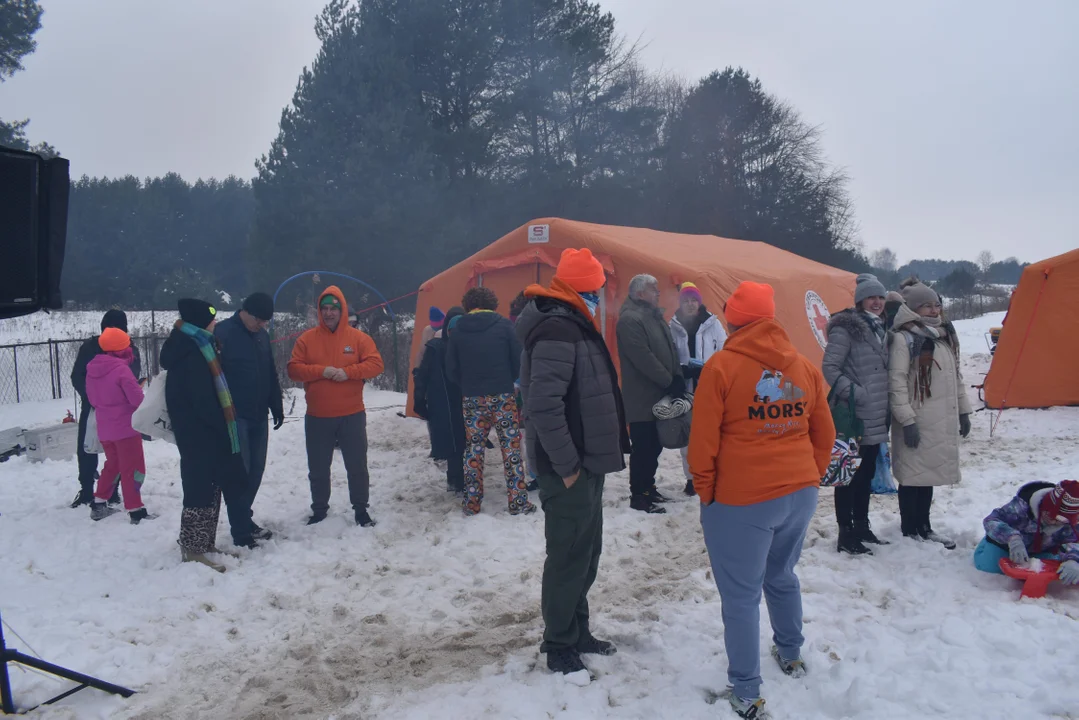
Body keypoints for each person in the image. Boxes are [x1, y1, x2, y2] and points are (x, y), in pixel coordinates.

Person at [688, 281, 835, 720]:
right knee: (781, 573)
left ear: (733, 321)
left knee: (740, 595)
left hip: (742, 500)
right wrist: (809, 475)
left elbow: (702, 441)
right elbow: (825, 433)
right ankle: (790, 652)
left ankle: (746, 690)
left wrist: (706, 490)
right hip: (799, 493)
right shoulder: (803, 366)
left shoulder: (721, 367)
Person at [516, 248, 630, 679]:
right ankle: (559, 643)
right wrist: (566, 466)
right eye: (597, 289)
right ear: (582, 289)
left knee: (586, 553)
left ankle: (578, 630)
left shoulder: (573, 323)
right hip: (569, 465)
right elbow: (544, 406)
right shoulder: (557, 330)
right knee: (567, 557)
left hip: (586, 461)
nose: (601, 297)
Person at [160, 299, 251, 572]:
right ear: (201, 322)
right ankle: (192, 548)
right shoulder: (190, 352)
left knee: (212, 488)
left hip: (205, 433)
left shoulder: (200, 345)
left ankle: (205, 542)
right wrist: (221, 428)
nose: (215, 322)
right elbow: (202, 400)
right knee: (198, 489)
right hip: (197, 434)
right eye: (211, 318)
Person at [288, 287, 384, 527]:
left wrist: (349, 372)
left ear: (342, 311)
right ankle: (319, 509)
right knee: (318, 468)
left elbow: (376, 364)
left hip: (352, 414)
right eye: (325, 308)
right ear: (319, 311)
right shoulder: (307, 339)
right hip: (318, 416)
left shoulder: (358, 339)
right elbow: (293, 370)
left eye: (333, 308)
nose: (329, 313)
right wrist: (321, 371)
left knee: (357, 465)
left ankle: (361, 509)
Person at [888, 279, 972, 549]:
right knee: (913, 476)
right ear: (913, 309)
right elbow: (896, 382)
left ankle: (924, 525)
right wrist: (907, 420)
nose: (934, 310)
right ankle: (910, 527)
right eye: (927, 306)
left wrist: (963, 411)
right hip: (917, 418)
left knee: (928, 475)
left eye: (936, 305)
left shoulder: (943, 336)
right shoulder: (903, 338)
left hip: (940, 418)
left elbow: (955, 377)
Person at [446, 287, 534, 516]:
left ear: (468, 305)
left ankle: (472, 503)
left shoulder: (458, 330)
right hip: (503, 395)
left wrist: (467, 385)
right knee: (510, 448)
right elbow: (518, 361)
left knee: (473, 449)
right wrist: (507, 381)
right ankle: (518, 502)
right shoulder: (505, 326)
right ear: (493, 303)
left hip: (472, 397)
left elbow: (451, 368)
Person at [822, 273, 891, 555]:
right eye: (871, 297)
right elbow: (830, 367)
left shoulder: (881, 328)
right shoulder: (846, 329)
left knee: (866, 474)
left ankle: (862, 525)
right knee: (848, 474)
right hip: (854, 414)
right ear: (860, 300)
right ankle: (845, 532)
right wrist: (856, 393)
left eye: (880, 297)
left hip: (877, 412)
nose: (877, 302)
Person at [214, 292, 284, 543]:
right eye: (259, 320)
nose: (262, 325)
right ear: (246, 312)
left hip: (259, 414)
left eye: (265, 322)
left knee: (256, 470)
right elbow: (213, 376)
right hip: (235, 417)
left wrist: (276, 404)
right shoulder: (223, 333)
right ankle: (241, 530)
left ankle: (244, 518)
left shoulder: (261, 336)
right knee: (240, 473)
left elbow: (269, 371)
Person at [616, 274, 683, 514]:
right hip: (642, 398)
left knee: (655, 446)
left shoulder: (654, 317)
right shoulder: (630, 320)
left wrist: (678, 376)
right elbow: (643, 357)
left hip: (658, 395)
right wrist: (669, 381)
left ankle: (649, 487)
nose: (658, 293)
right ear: (640, 293)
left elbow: (670, 351)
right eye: (654, 289)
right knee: (643, 447)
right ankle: (639, 495)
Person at [70, 309, 142, 508]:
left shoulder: (98, 346)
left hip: (100, 406)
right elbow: (132, 378)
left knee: (98, 450)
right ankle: (94, 490)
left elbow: (77, 376)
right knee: (100, 450)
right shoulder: (100, 347)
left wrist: (95, 398)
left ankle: (101, 491)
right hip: (104, 408)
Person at [85, 328, 154, 524]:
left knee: (113, 465)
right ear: (122, 348)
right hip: (125, 428)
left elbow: (92, 398)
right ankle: (136, 510)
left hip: (105, 428)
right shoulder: (122, 370)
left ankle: (99, 503)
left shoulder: (92, 369)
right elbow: (136, 400)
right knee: (133, 468)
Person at [669, 281, 727, 496]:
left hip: (710, 387)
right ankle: (691, 479)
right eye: (686, 301)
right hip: (686, 389)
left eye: (694, 300)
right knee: (689, 438)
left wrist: (712, 371)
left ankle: (715, 475)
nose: (690, 304)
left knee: (714, 434)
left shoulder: (713, 324)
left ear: (700, 302)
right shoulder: (673, 326)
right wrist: (681, 370)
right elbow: (668, 356)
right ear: (680, 303)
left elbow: (725, 352)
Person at [974, 480, 1079, 585]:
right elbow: (991, 520)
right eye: (1052, 515)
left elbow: (1074, 540)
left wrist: (1074, 559)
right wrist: (1012, 538)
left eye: (1064, 519)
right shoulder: (1021, 507)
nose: (1055, 522)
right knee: (991, 566)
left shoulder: (1069, 522)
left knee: (1056, 570)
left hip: (1042, 551)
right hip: (1006, 546)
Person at [413, 306, 467, 493]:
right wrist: (419, 400)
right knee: (454, 441)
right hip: (445, 401)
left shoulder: (463, 347)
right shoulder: (436, 348)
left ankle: (458, 479)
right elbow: (423, 374)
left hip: (456, 400)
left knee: (460, 440)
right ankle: (456, 480)